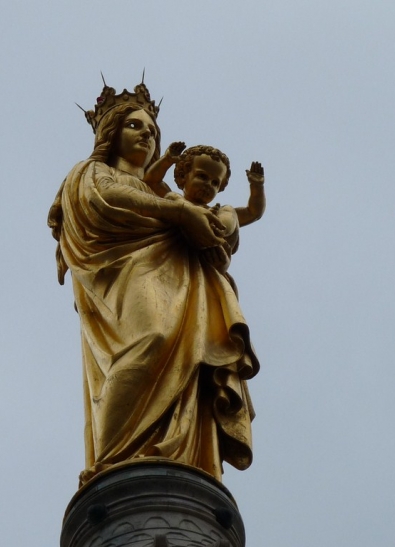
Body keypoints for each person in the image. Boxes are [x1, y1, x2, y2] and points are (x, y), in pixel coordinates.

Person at [47, 83, 260, 486]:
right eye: (133, 125)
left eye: (151, 129)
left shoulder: (164, 194)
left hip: (182, 278)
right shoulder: (92, 173)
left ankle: (187, 454)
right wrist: (176, 214)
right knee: (153, 339)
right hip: (125, 279)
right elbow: (102, 202)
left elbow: (224, 225)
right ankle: (112, 459)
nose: (146, 134)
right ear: (111, 134)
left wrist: (207, 224)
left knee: (193, 360)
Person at [144, 144, 266, 274]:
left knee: (229, 210)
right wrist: (167, 159)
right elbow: (151, 181)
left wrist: (257, 186)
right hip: (177, 242)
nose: (208, 184)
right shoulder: (176, 200)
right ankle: (201, 225)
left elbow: (253, 212)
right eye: (202, 176)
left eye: (215, 183)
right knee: (172, 197)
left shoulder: (220, 212)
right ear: (183, 175)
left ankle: (214, 229)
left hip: (212, 247)